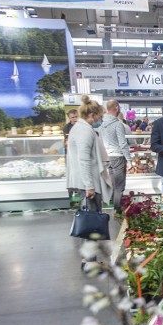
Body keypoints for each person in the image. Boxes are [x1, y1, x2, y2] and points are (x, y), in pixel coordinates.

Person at [66, 96, 111, 270]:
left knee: (90, 221)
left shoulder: (79, 128)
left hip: (86, 181)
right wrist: (89, 186)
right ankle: (90, 261)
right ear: (92, 115)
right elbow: (84, 160)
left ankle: (89, 259)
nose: (100, 120)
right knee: (92, 223)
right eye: (99, 117)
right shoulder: (85, 131)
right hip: (89, 182)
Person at [100, 99, 131, 215]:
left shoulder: (102, 124)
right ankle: (118, 210)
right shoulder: (117, 124)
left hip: (108, 157)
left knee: (113, 184)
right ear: (117, 108)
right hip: (118, 156)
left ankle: (114, 207)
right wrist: (129, 160)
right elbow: (123, 143)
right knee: (119, 186)